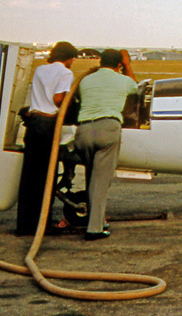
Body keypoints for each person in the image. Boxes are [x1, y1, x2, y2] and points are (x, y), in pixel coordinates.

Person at [74, 48, 138, 241]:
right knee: (100, 181)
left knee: (92, 176)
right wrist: (127, 66)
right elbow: (136, 88)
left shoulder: (86, 80)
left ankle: (97, 220)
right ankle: (94, 229)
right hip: (107, 128)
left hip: (85, 130)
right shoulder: (123, 80)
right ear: (118, 64)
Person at [17, 41, 79, 236]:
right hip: (48, 124)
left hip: (33, 122)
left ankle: (25, 224)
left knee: (29, 177)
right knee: (46, 176)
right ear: (68, 58)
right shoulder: (66, 73)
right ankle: (42, 224)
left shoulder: (40, 69)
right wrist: (71, 96)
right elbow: (57, 99)